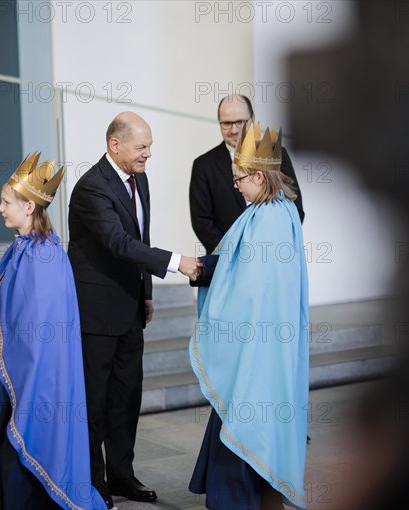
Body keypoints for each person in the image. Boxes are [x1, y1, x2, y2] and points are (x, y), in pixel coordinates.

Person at [67, 112, 199, 509]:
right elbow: (120, 244)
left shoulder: (138, 177)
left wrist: (145, 293)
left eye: (149, 145)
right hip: (96, 313)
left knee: (126, 399)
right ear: (115, 145)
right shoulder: (92, 187)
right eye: (142, 147)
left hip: (129, 309)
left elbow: (142, 237)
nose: (149, 154)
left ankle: (122, 475)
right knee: (95, 404)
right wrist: (178, 262)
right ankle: (93, 482)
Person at [188, 122, 309, 509]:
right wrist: (204, 270)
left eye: (239, 178)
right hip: (268, 343)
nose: (235, 185)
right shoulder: (278, 211)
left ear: (259, 175)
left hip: (255, 346)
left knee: (243, 418)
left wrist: (201, 272)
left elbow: (245, 290)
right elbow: (238, 271)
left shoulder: (268, 220)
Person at [0, 152, 107, 509]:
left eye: (6, 202)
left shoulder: (45, 256)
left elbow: (39, 332)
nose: (0, 209)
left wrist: (2, 356)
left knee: (19, 460)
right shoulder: (22, 249)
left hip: (38, 380)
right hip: (21, 372)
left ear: (29, 207)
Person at [189, 94, 305, 254]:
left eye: (240, 122)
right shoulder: (204, 166)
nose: (234, 130)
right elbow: (202, 223)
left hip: (275, 256)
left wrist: (273, 247)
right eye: (227, 123)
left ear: (252, 119)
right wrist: (234, 254)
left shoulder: (277, 155)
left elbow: (295, 207)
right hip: (228, 261)